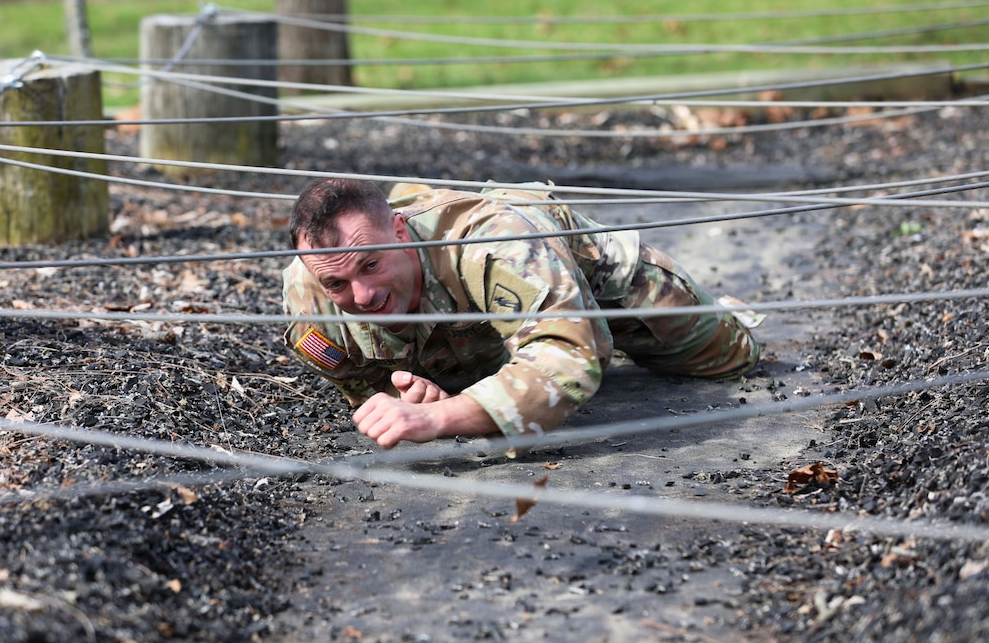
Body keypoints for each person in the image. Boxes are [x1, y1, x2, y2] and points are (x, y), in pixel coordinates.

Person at [282, 177, 759, 450]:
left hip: (591, 275)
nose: (362, 296)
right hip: (481, 323)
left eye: (372, 264)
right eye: (337, 282)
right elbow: (366, 385)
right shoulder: (308, 299)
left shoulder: (494, 242)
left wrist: (440, 418)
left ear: (402, 233)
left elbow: (568, 361)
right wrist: (412, 396)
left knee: (731, 358)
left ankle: (712, 312)